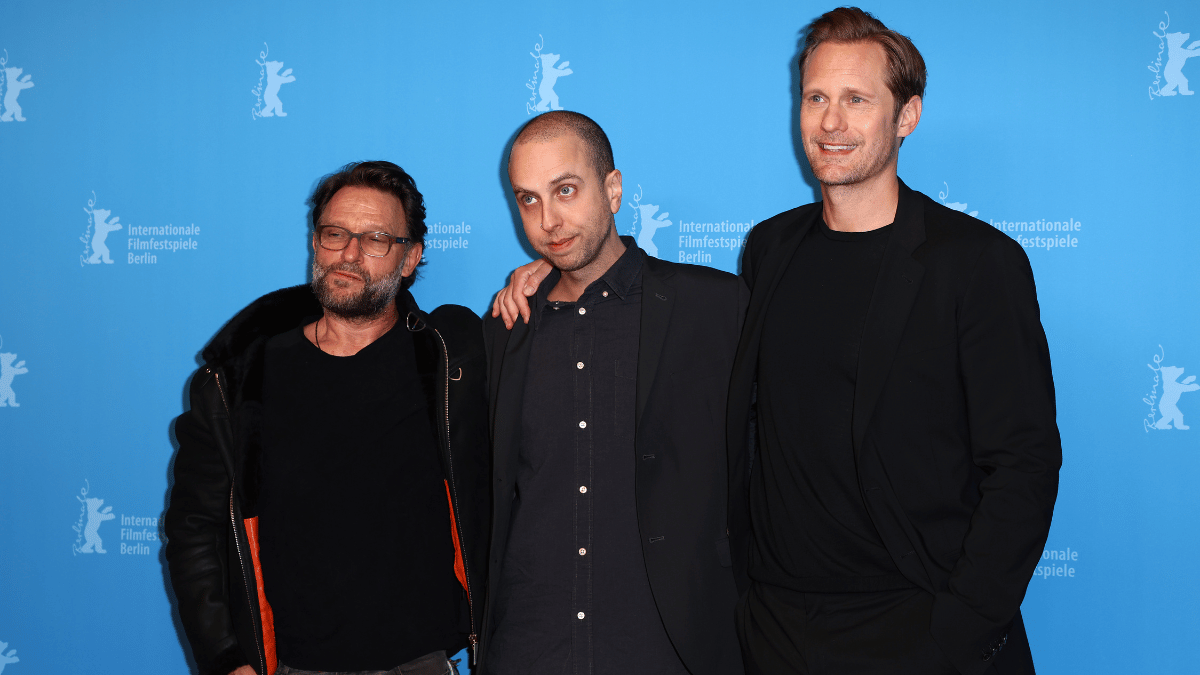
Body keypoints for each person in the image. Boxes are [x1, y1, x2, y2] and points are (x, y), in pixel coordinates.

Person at [494, 8, 1061, 674]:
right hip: (780, 632)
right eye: (816, 97)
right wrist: (558, 271)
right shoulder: (771, 248)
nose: (830, 121)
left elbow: (1023, 465)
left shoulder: (975, 263)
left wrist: (958, 631)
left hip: (916, 622)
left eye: (856, 100)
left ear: (906, 116)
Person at [165, 161, 489, 675]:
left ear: (410, 258)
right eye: (334, 234)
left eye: (376, 238)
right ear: (316, 243)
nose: (350, 253)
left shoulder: (454, 361)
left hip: (421, 663)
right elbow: (193, 531)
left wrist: (541, 273)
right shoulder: (239, 381)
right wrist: (226, 659)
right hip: (290, 666)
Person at [479, 111, 747, 675]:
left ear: (613, 189)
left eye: (566, 190)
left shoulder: (713, 308)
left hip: (667, 649)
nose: (548, 220)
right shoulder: (507, 330)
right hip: (530, 650)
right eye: (528, 200)